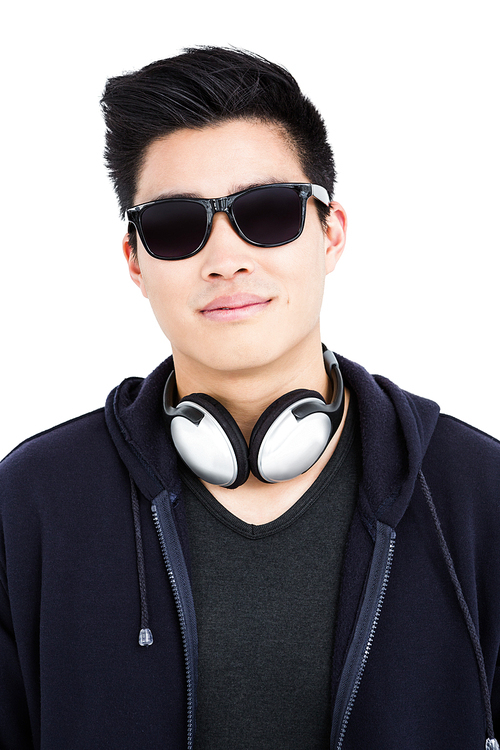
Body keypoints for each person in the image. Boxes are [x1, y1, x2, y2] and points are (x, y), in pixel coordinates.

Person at [0, 46, 499, 750]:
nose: (226, 258)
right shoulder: (35, 500)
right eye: (177, 225)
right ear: (135, 262)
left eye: (266, 213)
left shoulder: (476, 492)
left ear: (331, 235)